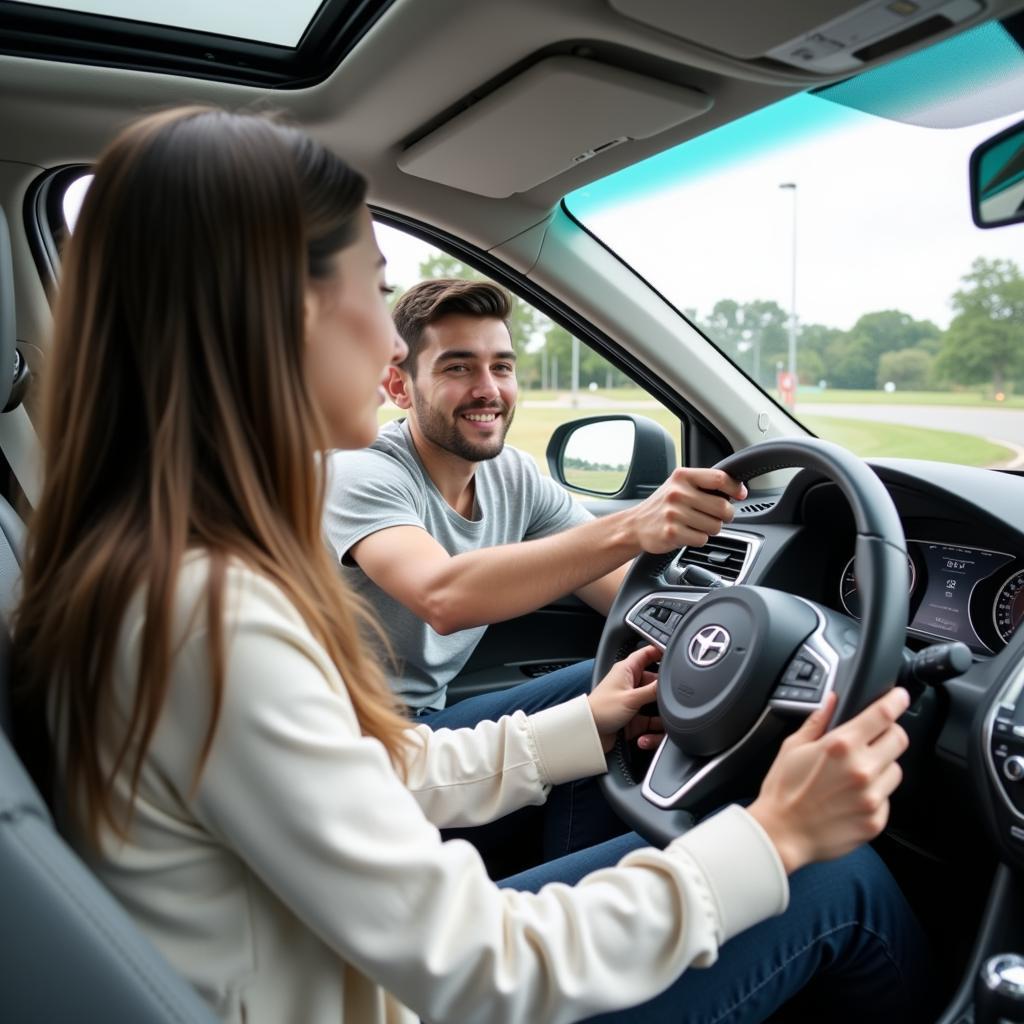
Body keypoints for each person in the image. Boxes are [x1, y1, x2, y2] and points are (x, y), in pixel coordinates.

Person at [14, 106, 930, 1024]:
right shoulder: (210, 616)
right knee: (833, 878)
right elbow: (483, 969)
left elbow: (370, 772)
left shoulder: (150, 570)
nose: (385, 345)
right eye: (374, 295)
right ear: (289, 313)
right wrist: (775, 837)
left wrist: (591, 721)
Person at [323, 278, 747, 861]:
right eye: (457, 368)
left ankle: (572, 873)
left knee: (636, 675)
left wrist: (733, 635)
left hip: (431, 727)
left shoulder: (512, 478)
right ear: (400, 385)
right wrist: (635, 524)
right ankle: (592, 886)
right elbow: (443, 596)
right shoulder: (363, 473)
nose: (488, 390)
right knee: (601, 686)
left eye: (502, 366)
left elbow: (628, 601)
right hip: (358, 753)